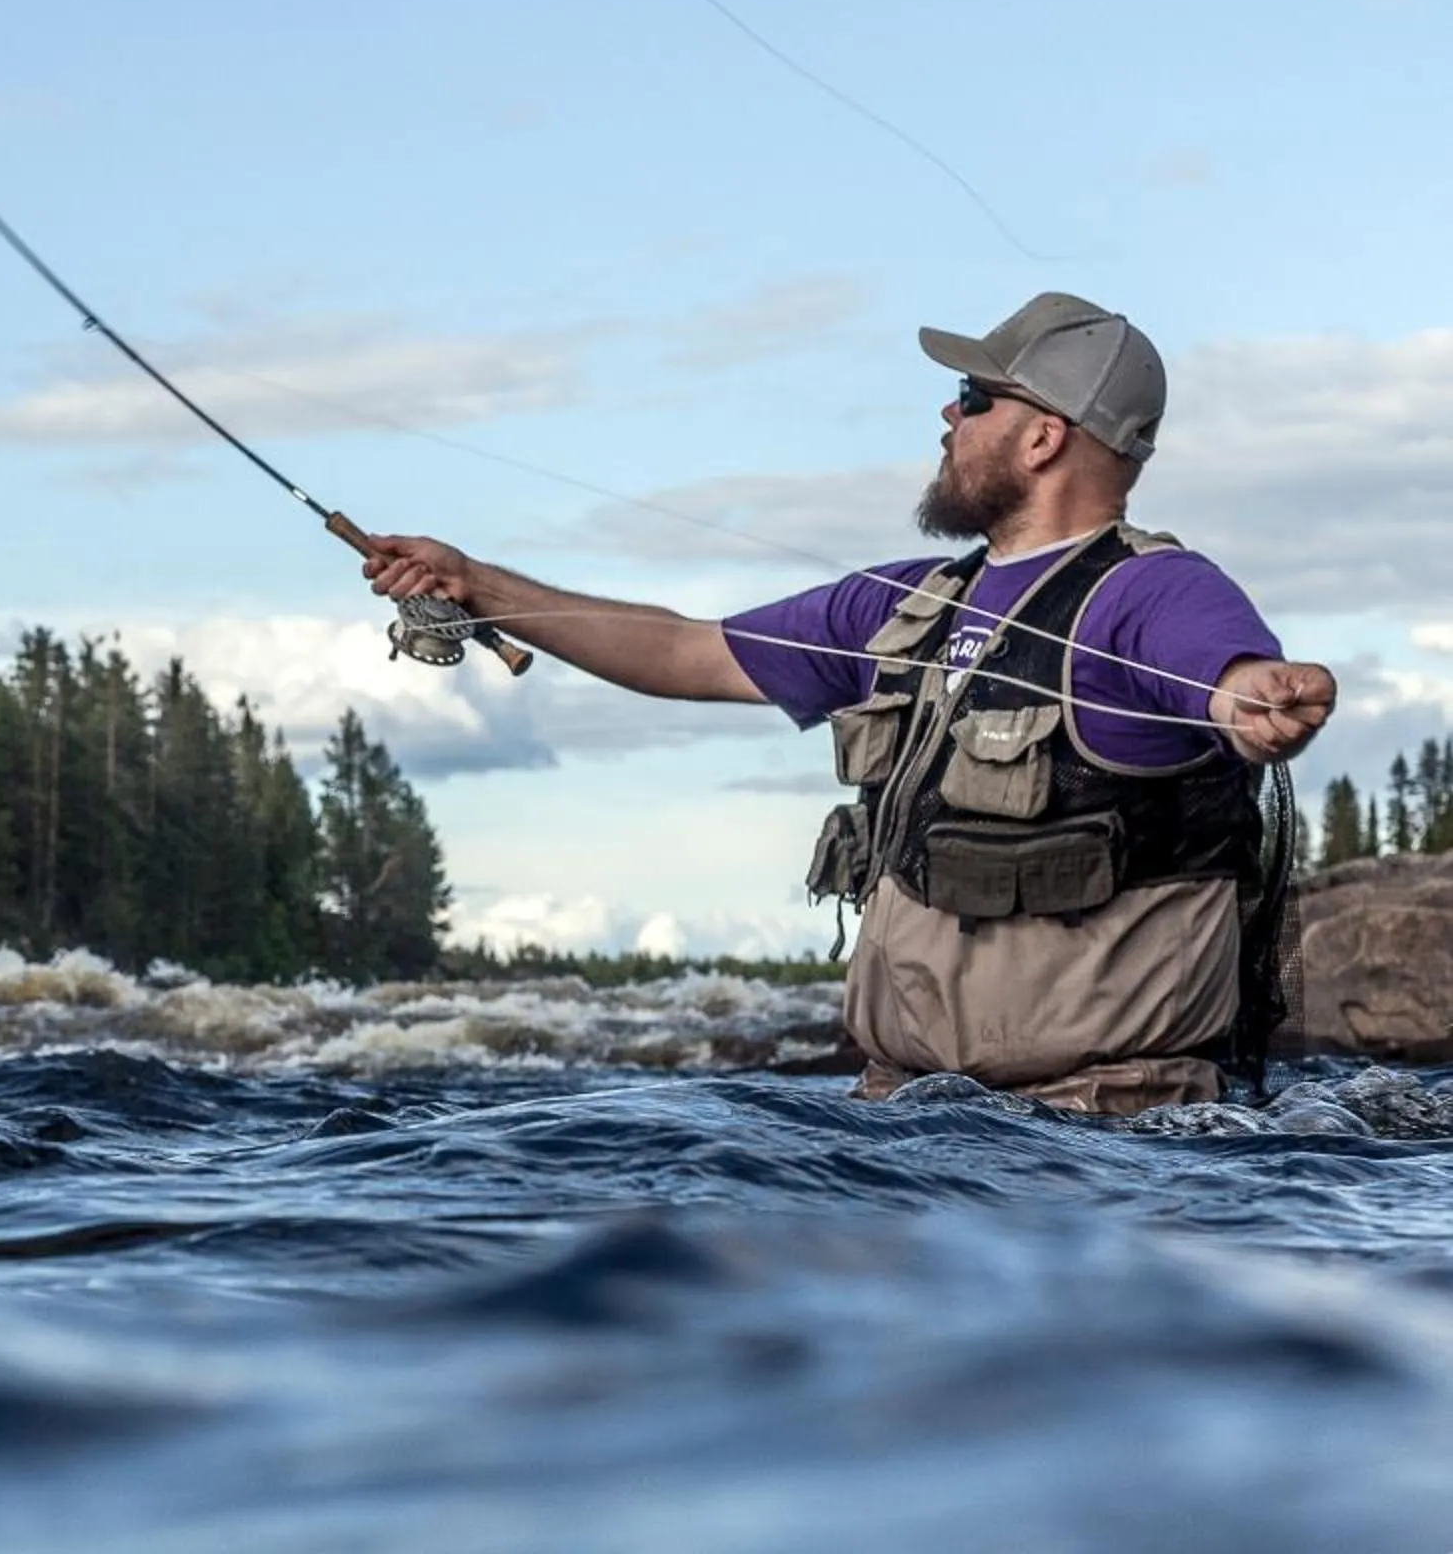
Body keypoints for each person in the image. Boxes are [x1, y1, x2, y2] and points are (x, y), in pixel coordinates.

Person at [358, 292, 1337, 1113]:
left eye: (972, 397)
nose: (948, 418)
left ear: (1043, 437)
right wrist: (478, 582)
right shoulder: (899, 606)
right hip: (900, 1122)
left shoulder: (1155, 593)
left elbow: (1222, 677)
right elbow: (683, 649)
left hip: (1103, 1141)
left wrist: (1254, 696)